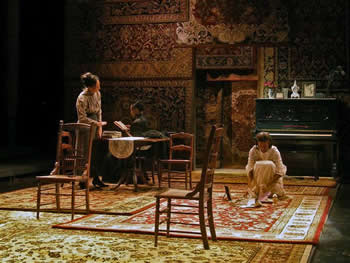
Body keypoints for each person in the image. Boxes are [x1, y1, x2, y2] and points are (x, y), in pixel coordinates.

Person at [76, 72, 107, 188]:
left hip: (95, 126)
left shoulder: (97, 94)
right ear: (90, 87)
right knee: (86, 153)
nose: (99, 87)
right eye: (96, 86)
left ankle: (96, 178)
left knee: (95, 153)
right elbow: (82, 118)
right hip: (85, 127)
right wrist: (96, 123)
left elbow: (99, 111)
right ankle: (82, 179)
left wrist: (100, 127)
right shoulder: (82, 98)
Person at [246, 131, 287, 207]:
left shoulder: (274, 151)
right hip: (257, 180)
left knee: (269, 164)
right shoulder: (253, 150)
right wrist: (250, 185)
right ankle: (259, 192)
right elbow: (250, 168)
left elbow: (279, 171)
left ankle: (265, 193)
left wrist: (266, 185)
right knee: (258, 164)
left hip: (271, 181)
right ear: (257, 143)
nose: (262, 147)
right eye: (260, 144)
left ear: (269, 143)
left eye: (265, 145)